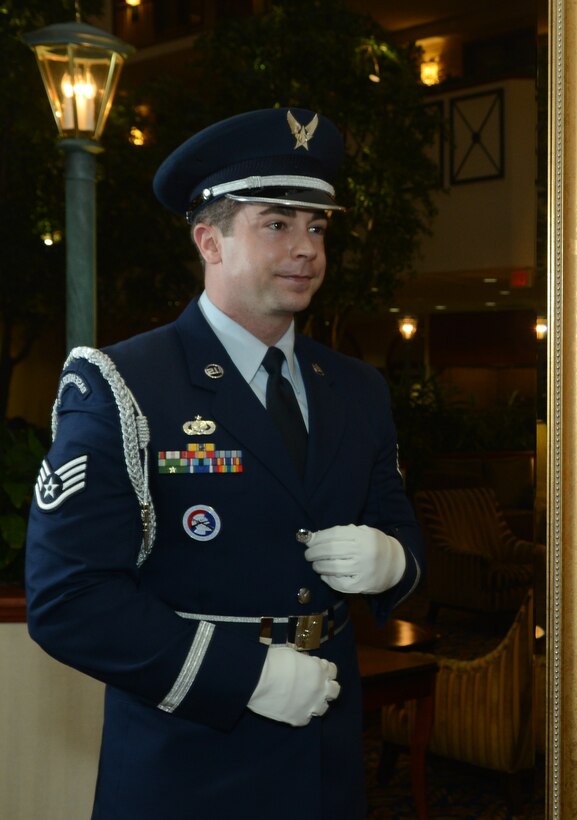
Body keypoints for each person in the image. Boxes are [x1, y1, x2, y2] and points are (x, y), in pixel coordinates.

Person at [24, 107, 425, 819]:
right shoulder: (125, 383)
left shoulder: (357, 388)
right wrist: (245, 677)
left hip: (328, 753)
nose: (306, 248)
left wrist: (395, 559)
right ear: (209, 240)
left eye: (317, 226)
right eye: (277, 223)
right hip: (189, 759)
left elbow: (398, 523)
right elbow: (70, 600)